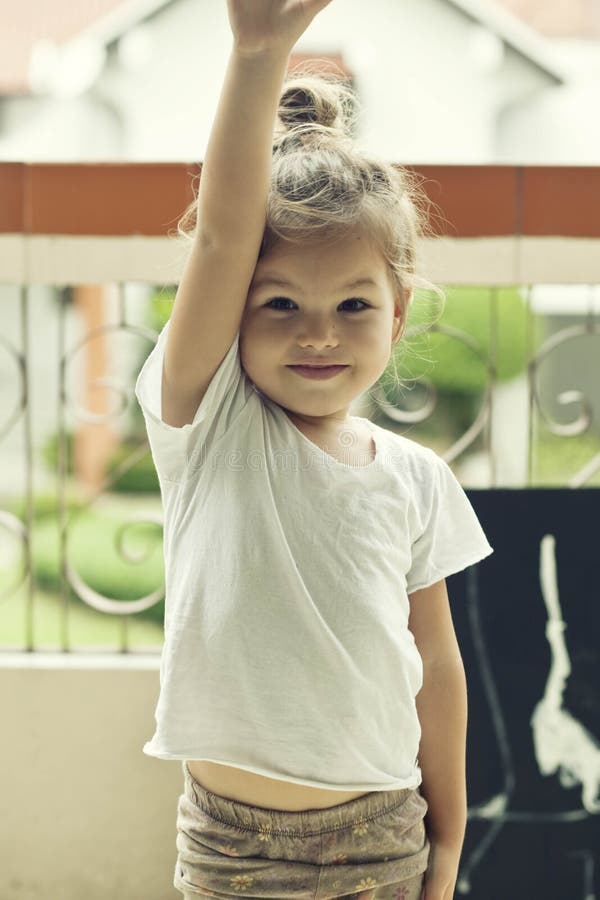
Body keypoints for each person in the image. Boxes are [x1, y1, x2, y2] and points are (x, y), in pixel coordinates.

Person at [134, 1, 494, 898]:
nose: (318, 334)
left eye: (355, 306)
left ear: (399, 311)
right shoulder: (210, 421)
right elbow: (221, 236)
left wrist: (447, 844)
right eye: (281, 303)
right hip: (234, 848)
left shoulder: (416, 479)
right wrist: (259, 54)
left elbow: (438, 669)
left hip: (383, 835)